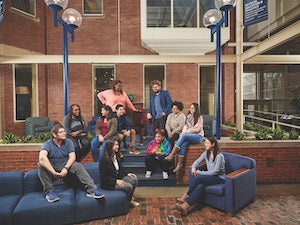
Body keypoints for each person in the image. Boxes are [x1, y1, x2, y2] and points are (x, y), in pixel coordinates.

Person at [37, 124, 105, 203]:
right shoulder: (47, 144)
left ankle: (92, 189)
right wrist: (53, 172)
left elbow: (72, 157)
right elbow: (42, 158)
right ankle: (50, 192)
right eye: (61, 132)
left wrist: (65, 168)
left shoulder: (68, 142)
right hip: (52, 166)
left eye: (64, 131)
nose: (64, 133)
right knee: (40, 164)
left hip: (65, 164)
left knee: (78, 165)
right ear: (54, 135)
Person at [172, 137, 225, 216]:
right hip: (210, 177)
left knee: (199, 177)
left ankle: (186, 195)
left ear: (213, 144)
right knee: (200, 186)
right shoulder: (206, 153)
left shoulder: (219, 156)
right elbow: (197, 161)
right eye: (205, 142)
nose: (205, 144)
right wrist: (193, 167)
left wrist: (201, 172)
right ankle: (185, 207)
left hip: (219, 178)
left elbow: (215, 171)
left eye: (207, 143)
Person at [99, 139, 140, 208]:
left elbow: (121, 169)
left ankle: (128, 199)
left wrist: (127, 174)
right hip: (109, 183)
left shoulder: (116, 156)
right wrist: (115, 181)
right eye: (116, 145)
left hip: (118, 178)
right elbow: (103, 177)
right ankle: (127, 201)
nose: (118, 146)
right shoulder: (104, 160)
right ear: (110, 147)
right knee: (128, 186)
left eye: (117, 145)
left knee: (134, 179)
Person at [165, 103, 204, 173]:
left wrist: (186, 132)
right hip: (189, 136)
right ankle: (179, 165)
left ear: (196, 109)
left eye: (193, 108)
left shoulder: (199, 117)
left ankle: (172, 154)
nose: (191, 109)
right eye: (190, 108)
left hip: (198, 136)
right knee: (183, 144)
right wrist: (183, 132)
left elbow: (197, 128)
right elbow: (185, 127)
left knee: (184, 136)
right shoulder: (188, 116)